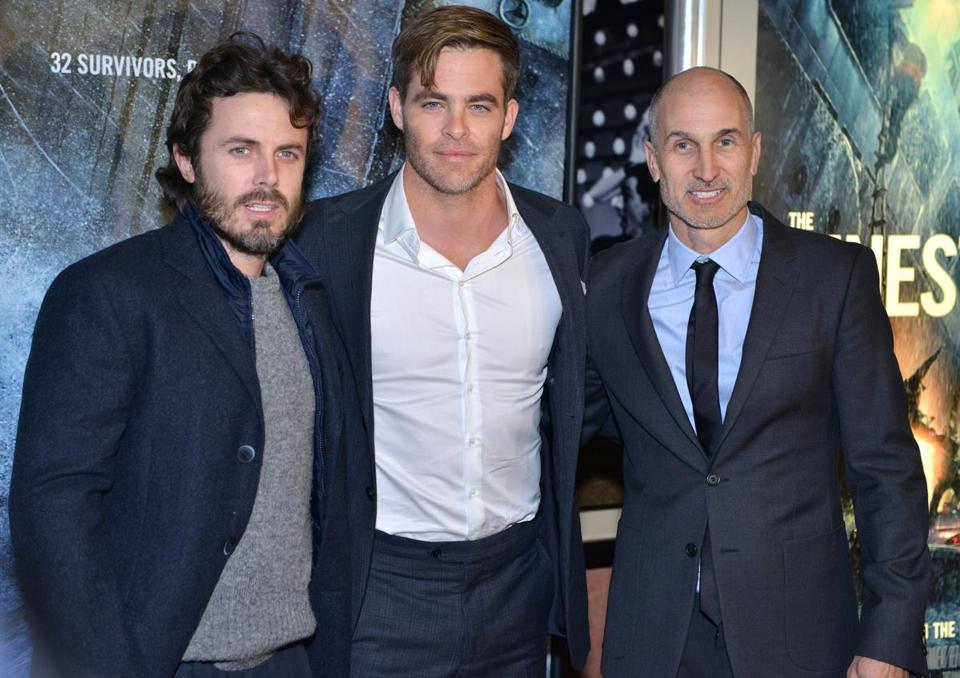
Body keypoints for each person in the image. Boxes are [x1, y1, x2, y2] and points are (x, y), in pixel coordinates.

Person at [9, 34, 351, 678]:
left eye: (288, 153)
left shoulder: (309, 300)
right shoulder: (109, 293)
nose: (267, 177)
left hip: (290, 661)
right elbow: (53, 507)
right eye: (240, 150)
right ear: (187, 161)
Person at [584, 67, 929, 678]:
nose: (707, 169)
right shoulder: (606, 288)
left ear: (755, 151)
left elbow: (886, 472)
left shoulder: (834, 279)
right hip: (654, 641)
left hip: (799, 639)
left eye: (726, 141)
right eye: (683, 144)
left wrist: (890, 638)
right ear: (653, 159)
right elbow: (559, 429)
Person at [296, 6, 590, 676]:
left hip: (518, 585)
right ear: (397, 108)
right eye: (434, 103)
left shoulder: (558, 236)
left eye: (478, 105)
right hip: (380, 591)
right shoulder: (329, 242)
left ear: (509, 118)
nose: (457, 129)